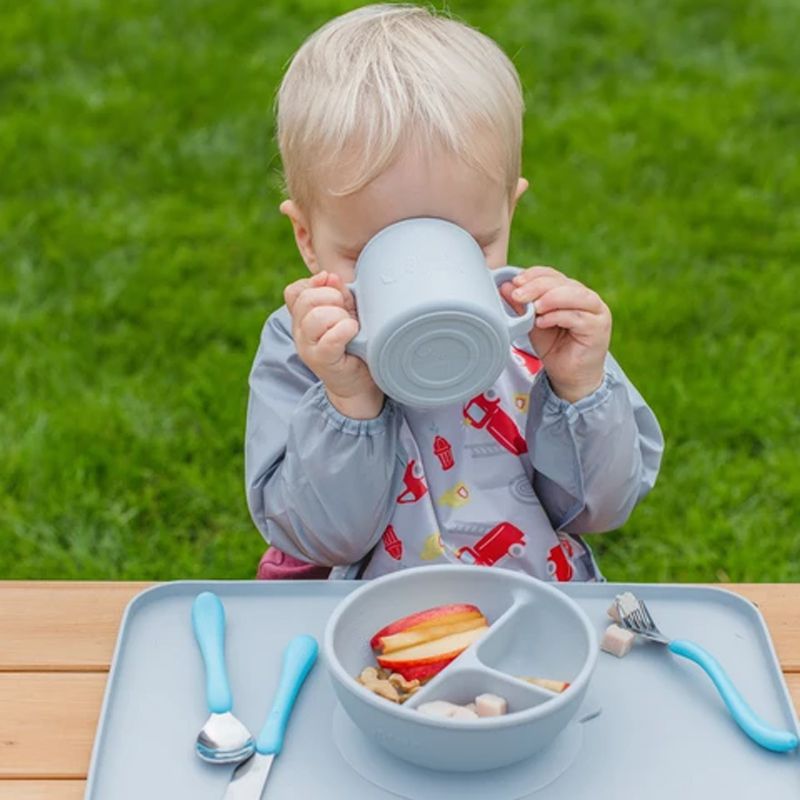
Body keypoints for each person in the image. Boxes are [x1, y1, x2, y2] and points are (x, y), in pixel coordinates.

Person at [245, 4, 664, 581]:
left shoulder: (534, 328)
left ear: (508, 210)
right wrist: (348, 403)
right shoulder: (304, 351)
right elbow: (324, 539)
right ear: (307, 238)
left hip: (529, 612)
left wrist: (580, 390)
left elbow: (600, 509)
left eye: (467, 243)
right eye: (370, 252)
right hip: (364, 630)